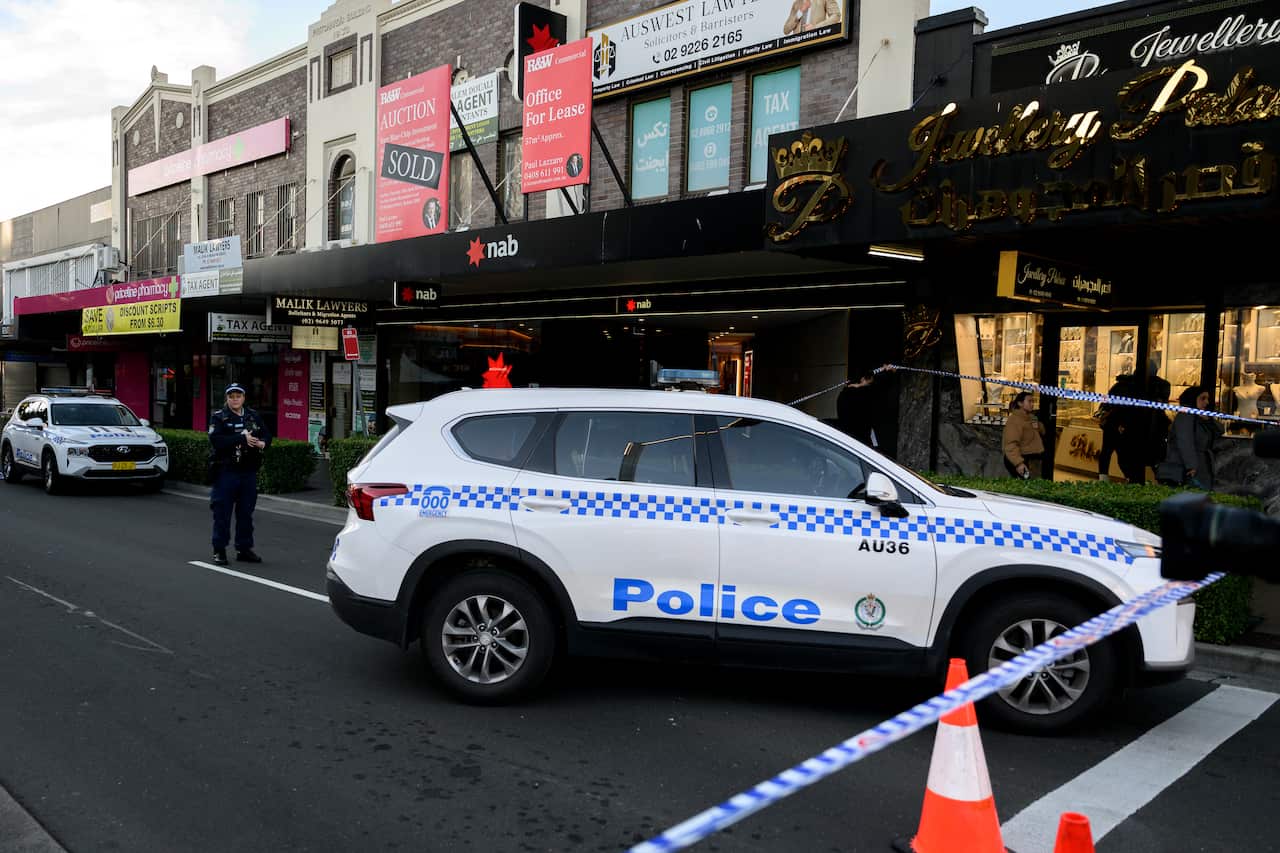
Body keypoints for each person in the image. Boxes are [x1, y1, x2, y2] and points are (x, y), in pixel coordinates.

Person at [208, 382, 272, 565]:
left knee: (246, 513)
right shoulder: (219, 418)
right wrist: (241, 439)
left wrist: (263, 443)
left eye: (238, 396)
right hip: (226, 472)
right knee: (222, 513)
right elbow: (217, 441)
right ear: (227, 398)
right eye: (231, 396)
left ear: (243, 398)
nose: (235, 399)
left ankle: (244, 549)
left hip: (248, 472)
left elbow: (267, 435)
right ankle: (219, 550)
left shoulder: (253, 416)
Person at [1162, 386, 1222, 491]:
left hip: (1200, 465)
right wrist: (1191, 466)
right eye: (1202, 398)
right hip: (1188, 467)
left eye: (1207, 399)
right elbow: (1185, 441)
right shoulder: (1186, 416)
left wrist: (1208, 420)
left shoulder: (1198, 416)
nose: (1206, 402)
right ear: (1192, 399)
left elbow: (1220, 431)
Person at [1002, 391, 1045, 479]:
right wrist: (1019, 464)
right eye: (1029, 401)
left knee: (1032, 486)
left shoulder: (1031, 417)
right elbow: (1011, 444)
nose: (1032, 404)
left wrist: (1038, 426)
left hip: (1032, 459)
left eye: (1033, 401)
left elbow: (1042, 432)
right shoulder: (1014, 420)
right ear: (1020, 403)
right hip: (1020, 460)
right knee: (1026, 486)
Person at [835, 365, 876, 447]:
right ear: (862, 379)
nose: (869, 386)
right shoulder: (864, 395)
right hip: (861, 439)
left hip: (846, 437)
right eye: (869, 383)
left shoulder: (843, 395)